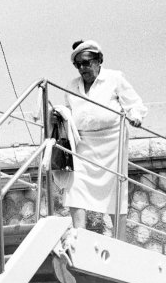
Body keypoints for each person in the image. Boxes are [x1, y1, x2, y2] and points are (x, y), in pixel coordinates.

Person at [57, 39, 147, 240]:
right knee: (75, 186)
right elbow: (69, 111)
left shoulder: (115, 78)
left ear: (99, 61)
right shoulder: (71, 86)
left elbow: (135, 104)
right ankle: (79, 236)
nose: (82, 68)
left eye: (87, 63)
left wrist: (136, 117)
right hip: (83, 143)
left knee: (115, 191)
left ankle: (119, 240)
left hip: (112, 143)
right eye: (78, 64)